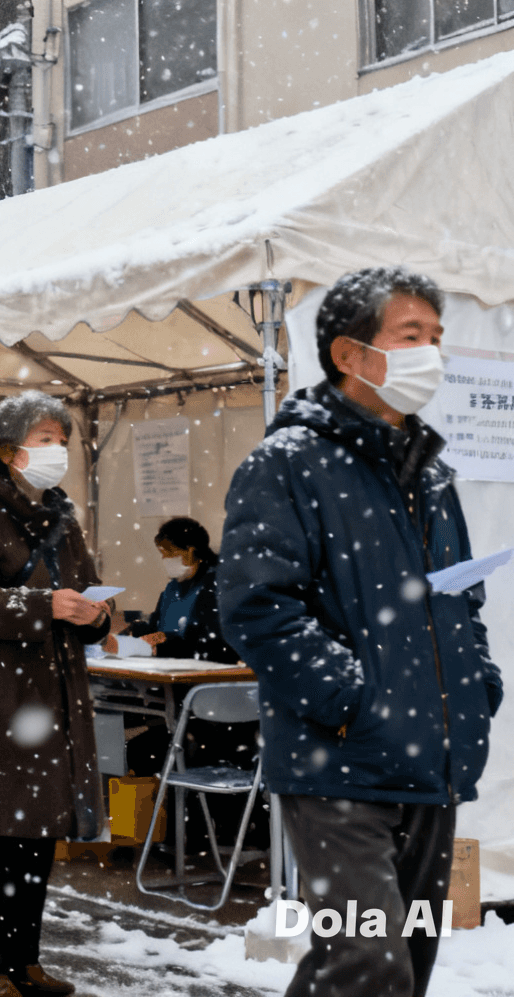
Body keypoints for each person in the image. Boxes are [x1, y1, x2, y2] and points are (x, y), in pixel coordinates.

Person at [218, 266, 502, 997]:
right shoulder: (286, 464)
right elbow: (258, 607)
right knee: (366, 962)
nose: (432, 353)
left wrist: (477, 682)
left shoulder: (431, 478)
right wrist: (356, 701)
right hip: (337, 763)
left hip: (433, 762)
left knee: (402, 964)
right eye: (413, 336)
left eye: (437, 338)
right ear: (350, 354)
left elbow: (459, 599)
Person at [0, 390, 110, 997]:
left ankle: (24, 959)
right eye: (44, 440)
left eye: (62, 440)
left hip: (56, 695)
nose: (56, 451)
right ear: (8, 450)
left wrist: (97, 617)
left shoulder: (61, 517)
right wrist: (42, 605)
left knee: (39, 834)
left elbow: (89, 591)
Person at [111, 517, 236, 663]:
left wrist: (164, 643)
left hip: (199, 674)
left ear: (190, 552)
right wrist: (135, 632)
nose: (164, 558)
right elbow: (157, 630)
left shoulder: (217, 587)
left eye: (169, 552)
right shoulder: (172, 589)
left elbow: (211, 646)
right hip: (165, 669)